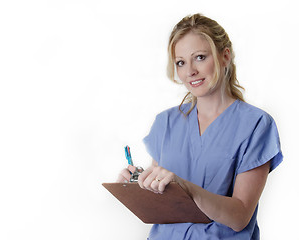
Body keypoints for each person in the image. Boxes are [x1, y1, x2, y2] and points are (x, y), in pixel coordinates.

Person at [117, 13, 283, 240]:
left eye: (200, 57)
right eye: (181, 62)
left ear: (225, 56)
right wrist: (138, 184)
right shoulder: (165, 123)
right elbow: (161, 199)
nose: (190, 71)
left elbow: (240, 216)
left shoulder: (256, 125)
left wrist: (186, 188)